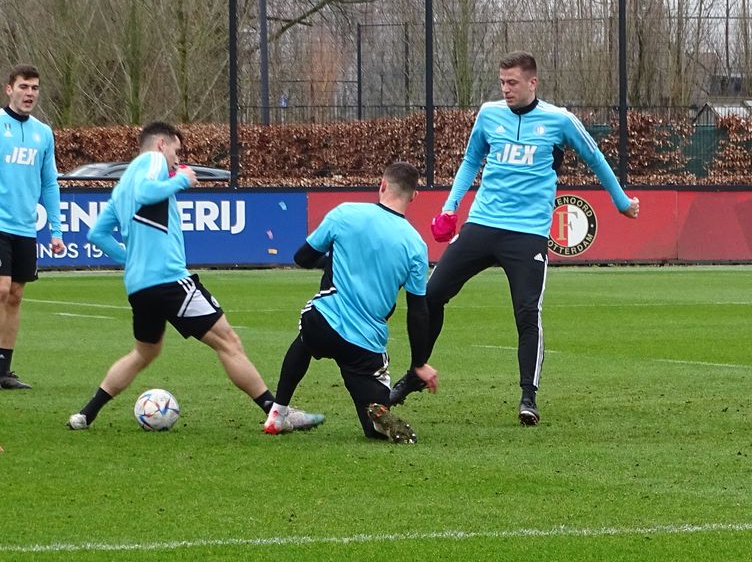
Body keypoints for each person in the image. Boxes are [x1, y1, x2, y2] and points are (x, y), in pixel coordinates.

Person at [387, 51, 639, 425]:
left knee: (526, 311)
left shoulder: (559, 120)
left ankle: (528, 396)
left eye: (513, 83)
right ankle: (417, 371)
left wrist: (621, 202)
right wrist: (450, 208)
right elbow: (471, 160)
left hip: (527, 234)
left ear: (532, 82)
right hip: (483, 224)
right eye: (502, 82)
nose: (505, 89)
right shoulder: (489, 115)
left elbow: (595, 156)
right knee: (431, 293)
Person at [67, 121, 324, 432]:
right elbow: (148, 191)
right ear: (161, 143)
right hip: (170, 280)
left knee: (144, 352)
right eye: (176, 149)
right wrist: (182, 180)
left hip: (139, 287)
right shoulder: (152, 161)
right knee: (229, 341)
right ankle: (276, 413)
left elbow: (97, 234)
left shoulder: (121, 188)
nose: (177, 158)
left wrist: (132, 259)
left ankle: (86, 413)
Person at [264, 160, 437, 443]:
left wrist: (333, 260)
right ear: (414, 196)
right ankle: (380, 410)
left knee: (306, 337)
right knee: (374, 425)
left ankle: (277, 413)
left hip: (325, 323)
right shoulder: (416, 245)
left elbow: (302, 258)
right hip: (365, 344)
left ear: (382, 184)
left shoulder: (346, 213)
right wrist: (419, 363)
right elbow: (418, 311)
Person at [0, 65, 65, 389]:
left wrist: (56, 230)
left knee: (15, 294)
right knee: (0, 288)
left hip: (26, 227)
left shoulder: (43, 133)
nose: (29, 93)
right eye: (23, 86)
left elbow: (49, 184)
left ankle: (4, 370)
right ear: (8, 89)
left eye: (35, 88)